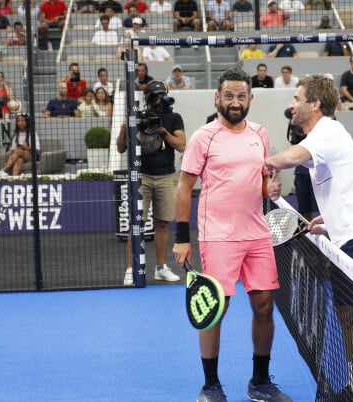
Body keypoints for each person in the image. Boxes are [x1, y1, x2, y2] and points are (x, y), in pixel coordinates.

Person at [264, 74, 353, 400]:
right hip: (343, 237)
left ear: (314, 104)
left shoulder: (327, 130)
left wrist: (263, 161)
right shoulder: (321, 135)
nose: (291, 105)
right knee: (345, 313)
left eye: (296, 99)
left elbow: (289, 158)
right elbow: (341, 183)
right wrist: (329, 220)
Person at [172, 68, 293, 402]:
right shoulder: (203, 137)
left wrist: (271, 188)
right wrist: (182, 237)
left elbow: (262, 180)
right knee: (215, 309)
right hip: (218, 236)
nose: (235, 102)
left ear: (251, 98)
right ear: (217, 98)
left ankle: (260, 382)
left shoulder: (260, 134)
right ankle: (210, 386)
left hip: (256, 233)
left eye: (241, 96)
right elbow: (184, 189)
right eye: (229, 96)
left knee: (265, 306)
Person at [118, 80, 186, 286]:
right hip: (142, 176)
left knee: (163, 222)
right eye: (155, 96)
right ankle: (131, 269)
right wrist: (125, 128)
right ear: (148, 97)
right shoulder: (139, 117)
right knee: (136, 223)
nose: (159, 100)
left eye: (161, 95)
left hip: (166, 175)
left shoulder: (174, 118)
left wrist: (162, 131)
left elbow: (182, 145)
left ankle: (160, 268)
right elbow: (121, 148)